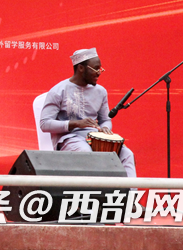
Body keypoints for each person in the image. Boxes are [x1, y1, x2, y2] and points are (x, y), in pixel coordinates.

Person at [40, 48, 136, 177]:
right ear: (81, 68)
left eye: (100, 69)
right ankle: (93, 189)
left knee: (127, 155)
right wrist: (76, 124)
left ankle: (130, 190)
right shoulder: (58, 91)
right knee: (86, 153)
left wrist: (105, 129)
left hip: (95, 138)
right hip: (69, 139)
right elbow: (45, 124)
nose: (99, 73)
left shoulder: (101, 91)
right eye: (95, 69)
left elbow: (105, 119)